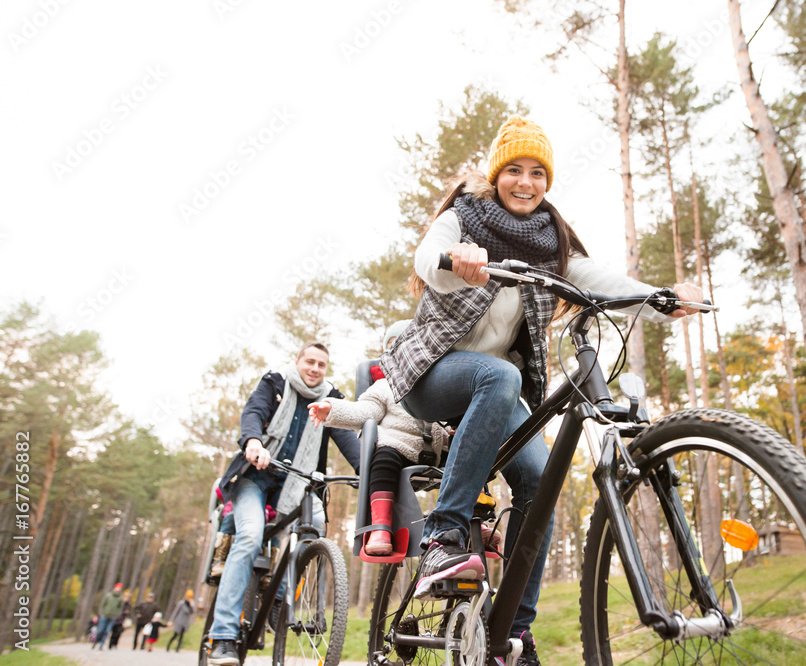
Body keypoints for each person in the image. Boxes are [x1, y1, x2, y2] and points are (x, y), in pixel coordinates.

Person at [379, 115, 702, 666]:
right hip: (432, 374)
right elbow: (425, 259)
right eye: (514, 171)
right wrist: (459, 259)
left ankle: (512, 636)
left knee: (541, 478)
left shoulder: (550, 243)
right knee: (498, 374)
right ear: (496, 174)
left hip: (495, 394)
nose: (525, 182)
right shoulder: (464, 218)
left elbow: (596, 278)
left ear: (546, 181)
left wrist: (662, 298)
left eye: (537, 172)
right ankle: (444, 540)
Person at [208, 341, 362, 665]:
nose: (315, 369)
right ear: (298, 361)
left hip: (297, 485)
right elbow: (253, 413)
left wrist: (370, 474)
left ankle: (281, 598)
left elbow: (350, 442)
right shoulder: (275, 382)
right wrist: (253, 441)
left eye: (322, 364)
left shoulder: (331, 399)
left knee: (315, 528)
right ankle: (222, 635)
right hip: (255, 479)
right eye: (310, 361)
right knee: (250, 535)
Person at [308, 320, 460, 557]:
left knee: (470, 455)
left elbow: (455, 415)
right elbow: (364, 411)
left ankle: (473, 519)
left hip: (440, 451)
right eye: (393, 351)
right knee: (384, 457)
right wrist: (333, 409)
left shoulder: (440, 384)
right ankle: (381, 526)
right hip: (400, 446)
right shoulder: (384, 386)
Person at [92, 582, 125, 650]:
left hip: (113, 617)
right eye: (117, 587)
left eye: (120, 588)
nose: (118, 589)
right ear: (115, 588)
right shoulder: (108, 595)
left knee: (107, 631)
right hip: (104, 616)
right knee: (100, 630)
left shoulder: (120, 598)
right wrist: (101, 613)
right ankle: (96, 641)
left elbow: (120, 608)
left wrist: (117, 615)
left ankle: (101, 644)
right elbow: (102, 605)